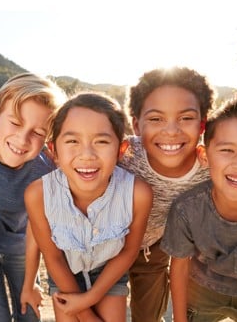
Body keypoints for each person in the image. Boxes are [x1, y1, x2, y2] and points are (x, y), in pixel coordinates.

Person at [25, 92, 152, 321]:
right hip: (64, 272)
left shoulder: (137, 193)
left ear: (120, 150)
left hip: (109, 270)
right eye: (72, 141)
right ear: (54, 150)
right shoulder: (38, 194)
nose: (87, 155)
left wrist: (91, 297)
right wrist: (85, 313)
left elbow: (128, 250)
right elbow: (53, 257)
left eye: (101, 141)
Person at [161, 92, 237, 322]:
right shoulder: (186, 209)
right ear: (205, 155)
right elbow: (178, 267)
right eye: (227, 150)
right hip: (202, 287)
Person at [118, 66, 215, 321]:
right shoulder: (122, 154)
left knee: (148, 316)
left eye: (185, 118)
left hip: (153, 250)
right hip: (106, 247)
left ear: (202, 124)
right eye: (156, 119)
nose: (171, 130)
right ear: (137, 125)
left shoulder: (210, 168)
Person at [0, 72, 66, 321]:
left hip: (24, 249)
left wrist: (32, 282)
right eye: (16, 123)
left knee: (30, 312)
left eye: (38, 132)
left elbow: (39, 230)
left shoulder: (46, 168)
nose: (22, 139)